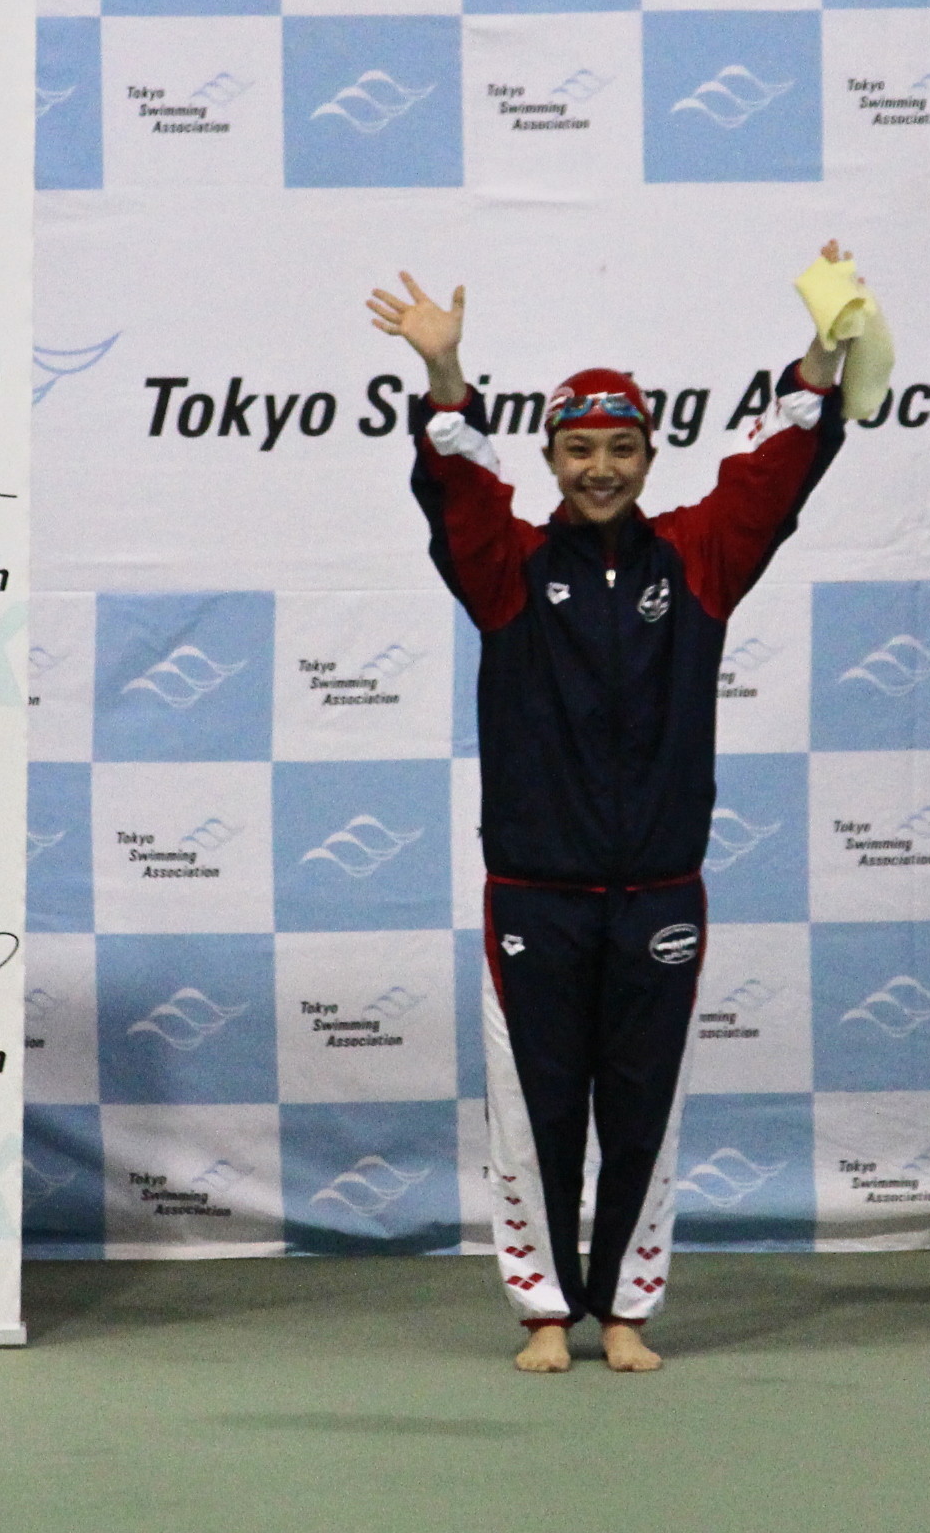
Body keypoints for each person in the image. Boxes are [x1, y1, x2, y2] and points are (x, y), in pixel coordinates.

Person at [369, 245, 872, 1375]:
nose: (601, 469)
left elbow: (773, 475)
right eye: (580, 450)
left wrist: (822, 349)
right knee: (535, 1112)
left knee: (645, 1109)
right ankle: (547, 1312)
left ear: (649, 456)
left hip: (659, 894)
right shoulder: (506, 567)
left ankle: (629, 1311)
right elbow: (458, 484)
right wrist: (445, 376)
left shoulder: (697, 560)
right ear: (552, 457)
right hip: (534, 896)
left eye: (622, 449)